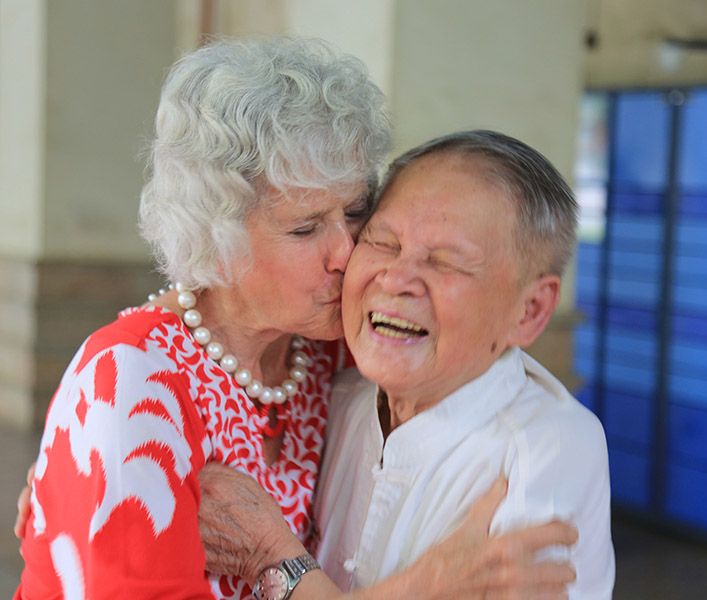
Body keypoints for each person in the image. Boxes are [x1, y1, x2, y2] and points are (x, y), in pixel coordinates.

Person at [14, 36, 578, 600]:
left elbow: (476, 359)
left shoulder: (330, 349)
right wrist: (422, 588)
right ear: (218, 240)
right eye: (305, 229)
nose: (347, 252)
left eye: (355, 212)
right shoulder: (132, 388)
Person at [199, 131, 615, 599]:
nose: (396, 279)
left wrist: (274, 559)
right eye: (382, 242)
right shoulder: (336, 394)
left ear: (530, 311)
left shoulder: (546, 450)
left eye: (446, 262)